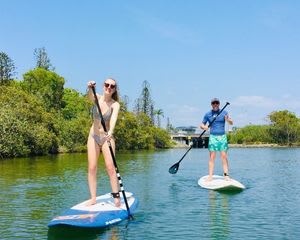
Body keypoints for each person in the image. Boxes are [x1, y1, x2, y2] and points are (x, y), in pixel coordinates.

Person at [86, 78, 121, 206]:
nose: (109, 87)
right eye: (107, 85)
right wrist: (90, 88)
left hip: (107, 138)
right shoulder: (96, 97)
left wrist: (110, 131)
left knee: (111, 168)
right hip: (93, 136)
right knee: (92, 167)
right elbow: (90, 97)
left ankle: (116, 197)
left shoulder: (115, 104)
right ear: (103, 86)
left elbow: (113, 119)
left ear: (114, 89)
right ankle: (93, 198)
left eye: (112, 86)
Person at [200, 98, 233, 181]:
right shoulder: (208, 114)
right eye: (213, 103)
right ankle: (210, 176)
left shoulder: (224, 112)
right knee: (212, 157)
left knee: (224, 156)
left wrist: (228, 120)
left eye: (216, 103)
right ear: (211, 104)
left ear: (219, 104)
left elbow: (231, 123)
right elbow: (201, 125)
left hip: (222, 137)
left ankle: (226, 175)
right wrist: (205, 127)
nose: (215, 104)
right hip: (213, 137)